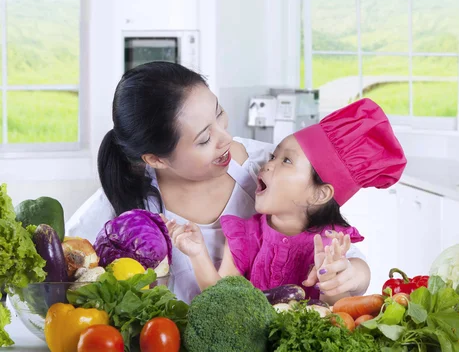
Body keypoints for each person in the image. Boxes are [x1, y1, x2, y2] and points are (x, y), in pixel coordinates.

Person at [66, 61, 374, 303]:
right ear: (156, 159)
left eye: (219, 114)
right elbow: (63, 275)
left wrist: (349, 276)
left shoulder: (268, 169)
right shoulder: (125, 204)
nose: (226, 138)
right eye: (204, 139)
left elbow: (341, 251)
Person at [167, 98, 407, 303]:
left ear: (319, 194)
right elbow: (221, 300)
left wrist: (343, 276)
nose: (267, 164)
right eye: (274, 155)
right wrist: (197, 254)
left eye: (286, 161)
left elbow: (344, 294)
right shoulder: (245, 235)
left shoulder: (330, 245)